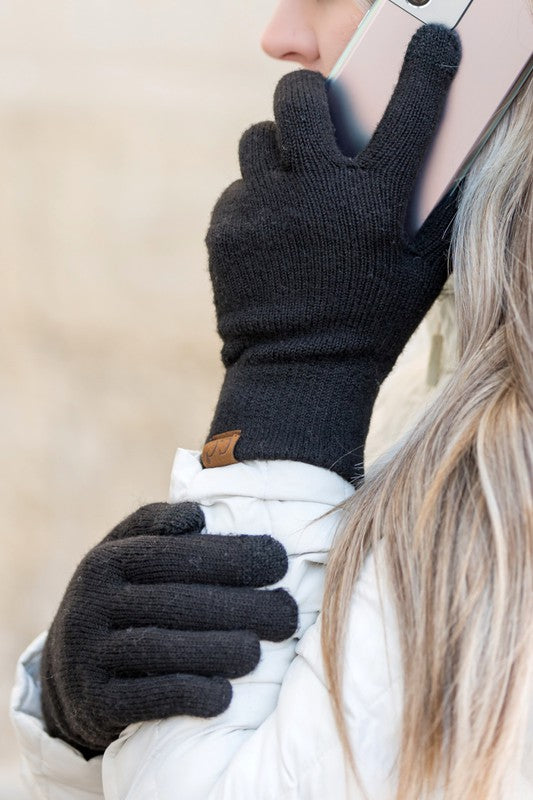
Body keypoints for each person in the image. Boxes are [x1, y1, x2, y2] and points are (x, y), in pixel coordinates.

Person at [10, 1, 532, 798]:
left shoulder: (503, 478)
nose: (279, 34)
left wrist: (294, 369)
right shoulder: (447, 400)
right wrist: (70, 716)